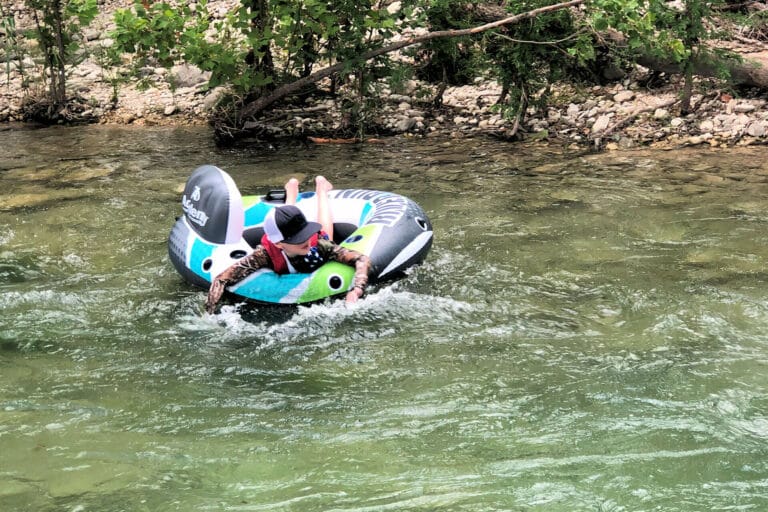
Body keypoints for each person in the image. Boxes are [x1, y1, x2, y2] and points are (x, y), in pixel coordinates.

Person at [205, 176, 371, 314]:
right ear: (278, 244)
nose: (306, 241)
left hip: (314, 243)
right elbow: (221, 279)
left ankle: (321, 190)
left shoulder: (317, 244)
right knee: (285, 223)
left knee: (324, 230)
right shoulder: (264, 255)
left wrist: (356, 290)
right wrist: (210, 312)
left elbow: (362, 259)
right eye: (298, 239)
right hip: (280, 243)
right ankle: (292, 191)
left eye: (305, 234)